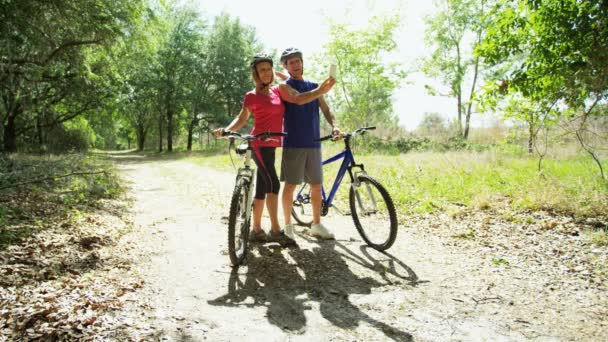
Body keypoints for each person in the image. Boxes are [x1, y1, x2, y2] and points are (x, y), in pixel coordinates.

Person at [214, 54, 335, 245]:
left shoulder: (277, 92)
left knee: (262, 188)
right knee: (273, 184)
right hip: (259, 145)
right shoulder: (251, 96)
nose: (266, 73)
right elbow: (242, 118)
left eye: (268, 69)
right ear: (255, 74)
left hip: (272, 146)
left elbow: (297, 98)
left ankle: (256, 230)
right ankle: (277, 231)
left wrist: (315, 89)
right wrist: (227, 130)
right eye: (262, 70)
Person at [279, 47, 341, 241]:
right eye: (291, 62)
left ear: (302, 62)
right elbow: (297, 100)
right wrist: (321, 90)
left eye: (298, 61)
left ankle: (316, 225)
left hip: (313, 143)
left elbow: (325, 108)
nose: (296, 65)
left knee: (316, 185)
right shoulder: (284, 86)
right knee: (291, 185)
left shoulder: (314, 86)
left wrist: (335, 126)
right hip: (294, 142)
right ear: (286, 66)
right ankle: (288, 226)